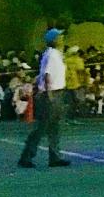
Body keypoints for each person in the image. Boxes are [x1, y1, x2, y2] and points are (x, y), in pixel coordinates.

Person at [16, 28, 71, 169]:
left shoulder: (55, 54)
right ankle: (26, 156)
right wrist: (50, 95)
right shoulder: (52, 55)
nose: (62, 38)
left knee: (54, 128)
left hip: (54, 92)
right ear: (54, 40)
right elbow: (47, 75)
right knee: (42, 128)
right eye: (59, 36)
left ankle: (55, 157)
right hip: (51, 94)